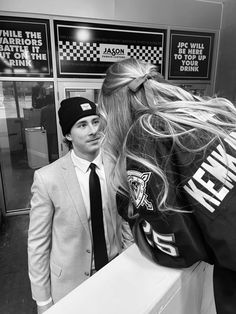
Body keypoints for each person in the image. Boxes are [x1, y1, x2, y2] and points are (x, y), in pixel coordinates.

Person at [98, 57, 236, 314]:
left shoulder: (146, 132)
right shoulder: (209, 111)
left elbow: (176, 248)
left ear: (114, 108)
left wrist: (126, 200)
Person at [28, 96, 133, 314]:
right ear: (68, 134)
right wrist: (43, 301)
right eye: (82, 125)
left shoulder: (116, 166)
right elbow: (38, 244)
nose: (93, 130)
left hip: (114, 273)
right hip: (69, 284)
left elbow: (125, 219)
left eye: (95, 122)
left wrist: (127, 257)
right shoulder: (48, 179)